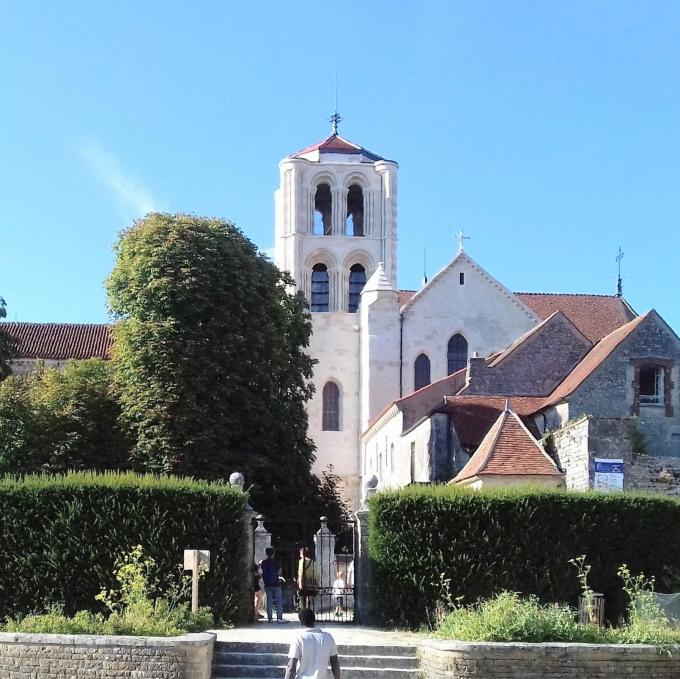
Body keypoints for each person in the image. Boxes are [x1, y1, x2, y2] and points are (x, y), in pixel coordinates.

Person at [285, 608, 340, 679]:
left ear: (301, 622)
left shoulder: (299, 638)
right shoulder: (328, 637)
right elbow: (335, 663)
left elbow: (291, 667)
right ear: (314, 620)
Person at [259, 547, 288, 623]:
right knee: (279, 601)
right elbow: (279, 573)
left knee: (269, 601)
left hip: (267, 584)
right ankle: (279, 618)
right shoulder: (277, 562)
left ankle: (270, 618)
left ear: (266, 553)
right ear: (274, 553)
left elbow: (260, 570)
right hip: (276, 584)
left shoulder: (264, 562)